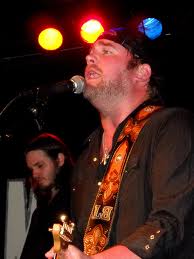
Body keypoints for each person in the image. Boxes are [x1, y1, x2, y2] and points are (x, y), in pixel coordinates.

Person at [46, 27, 194, 259]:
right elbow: (83, 235)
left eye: (107, 51)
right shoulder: (88, 152)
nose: (89, 57)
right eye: (89, 54)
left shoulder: (171, 126)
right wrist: (66, 251)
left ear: (141, 73)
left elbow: (170, 222)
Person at [20, 132, 74, 259]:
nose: (35, 174)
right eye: (31, 169)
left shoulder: (77, 203)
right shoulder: (39, 213)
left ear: (59, 160)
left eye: (40, 165)